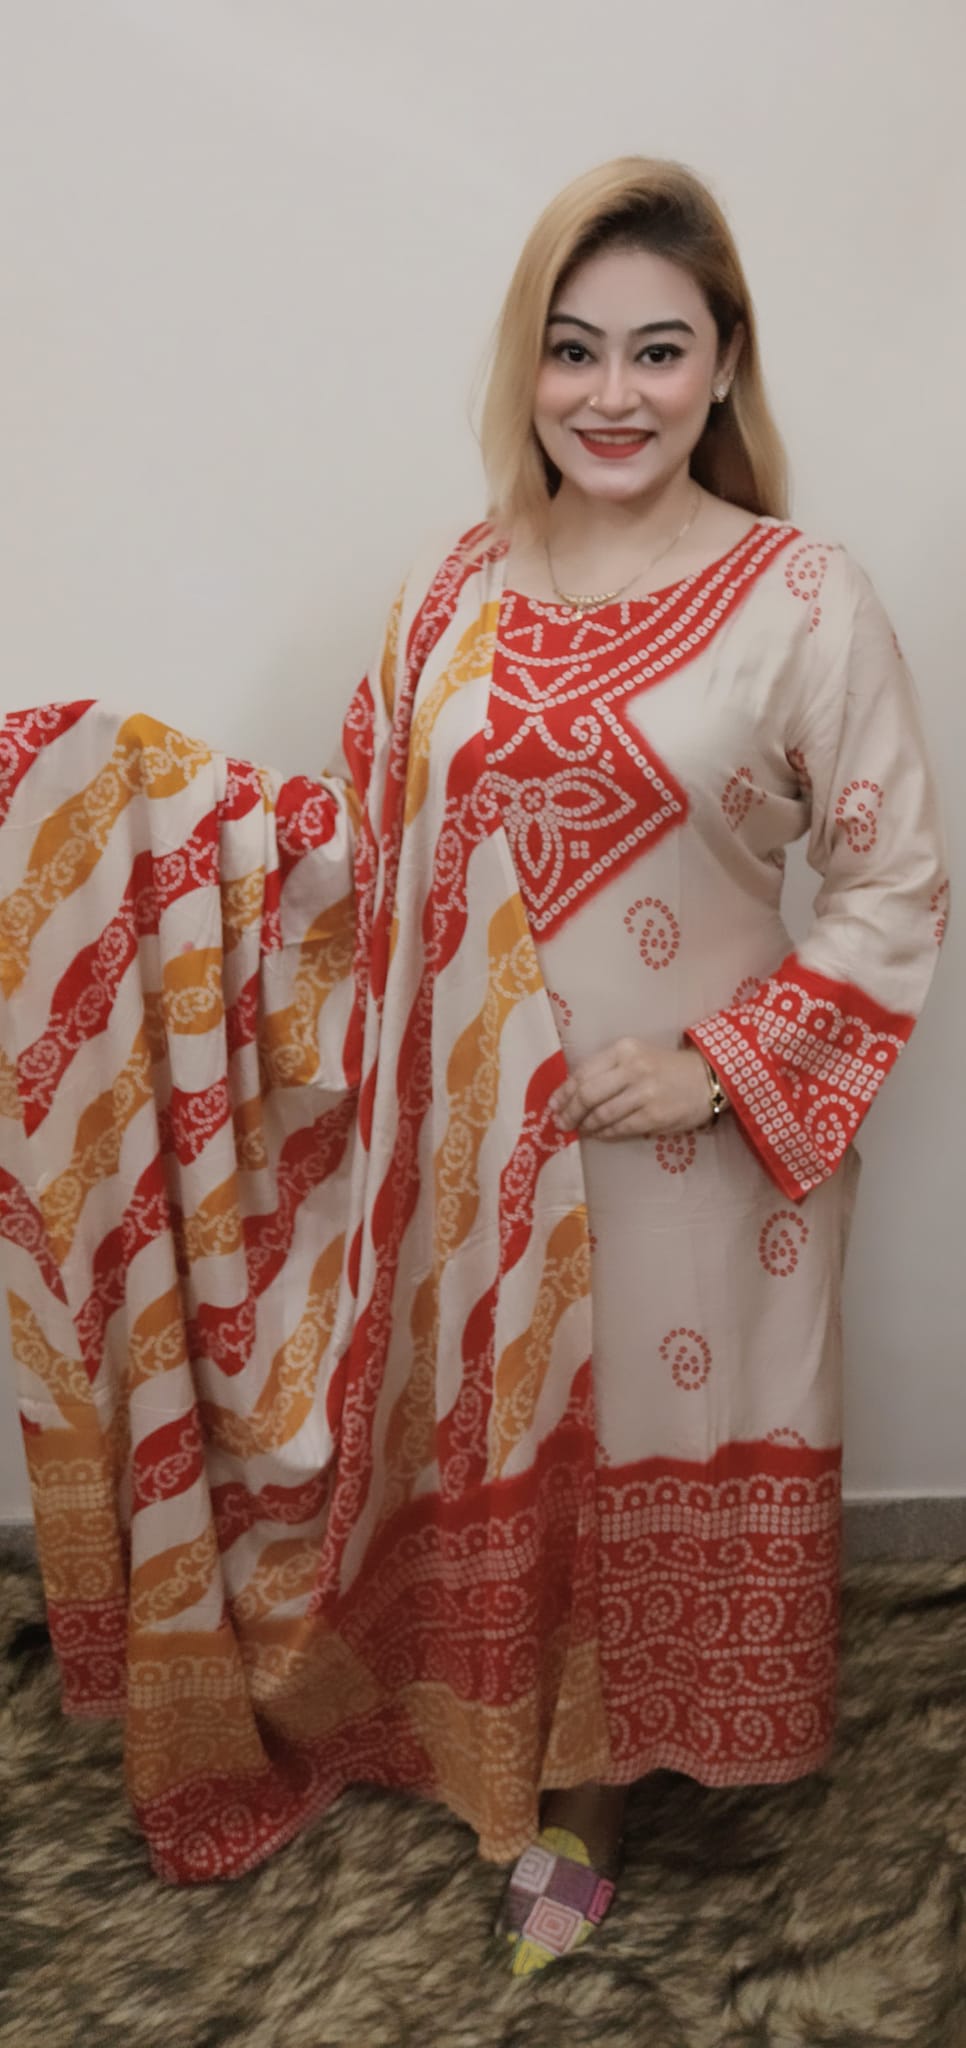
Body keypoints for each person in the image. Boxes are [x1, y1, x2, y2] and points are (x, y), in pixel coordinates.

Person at [0, 157, 947, 1981]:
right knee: (504, 1438)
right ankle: (521, 1756)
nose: (613, 393)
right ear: (526, 365)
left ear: (723, 364)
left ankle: (604, 1790)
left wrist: (720, 1064)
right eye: (573, 349)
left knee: (647, 1447)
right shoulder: (451, 589)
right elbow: (364, 855)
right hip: (477, 1151)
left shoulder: (800, 597)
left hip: (696, 1163)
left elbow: (893, 879)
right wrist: (121, 807)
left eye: (658, 351)